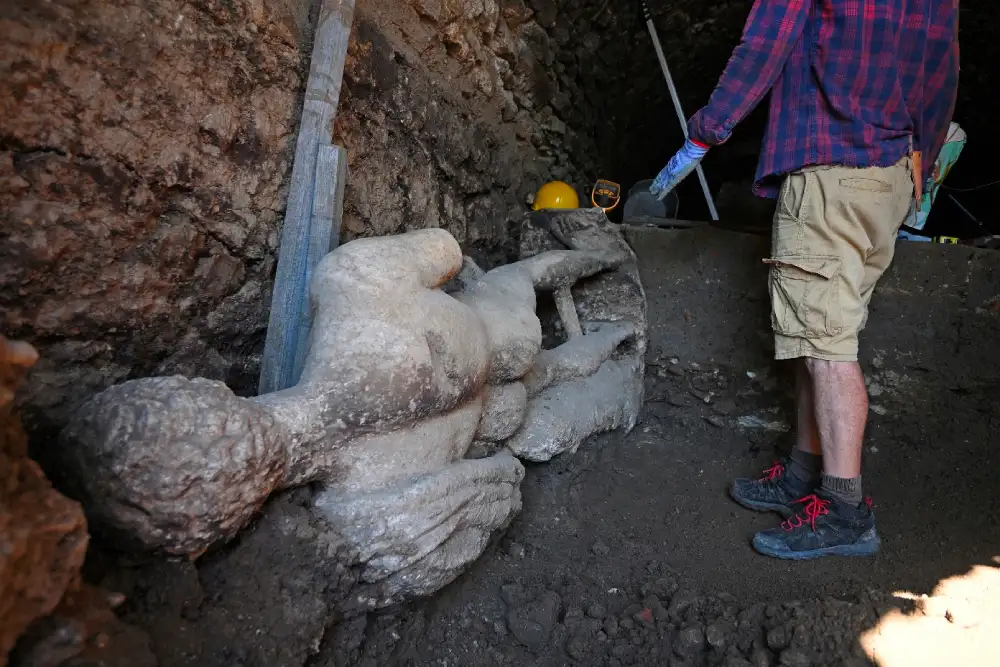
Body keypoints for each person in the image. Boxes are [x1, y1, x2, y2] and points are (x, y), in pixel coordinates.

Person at [650, 0, 960, 560]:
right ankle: (801, 475)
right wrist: (923, 162)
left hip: (827, 171)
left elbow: (763, 47)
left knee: (824, 348)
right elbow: (941, 77)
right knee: (821, 337)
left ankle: (845, 511)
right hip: (886, 177)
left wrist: (709, 128)